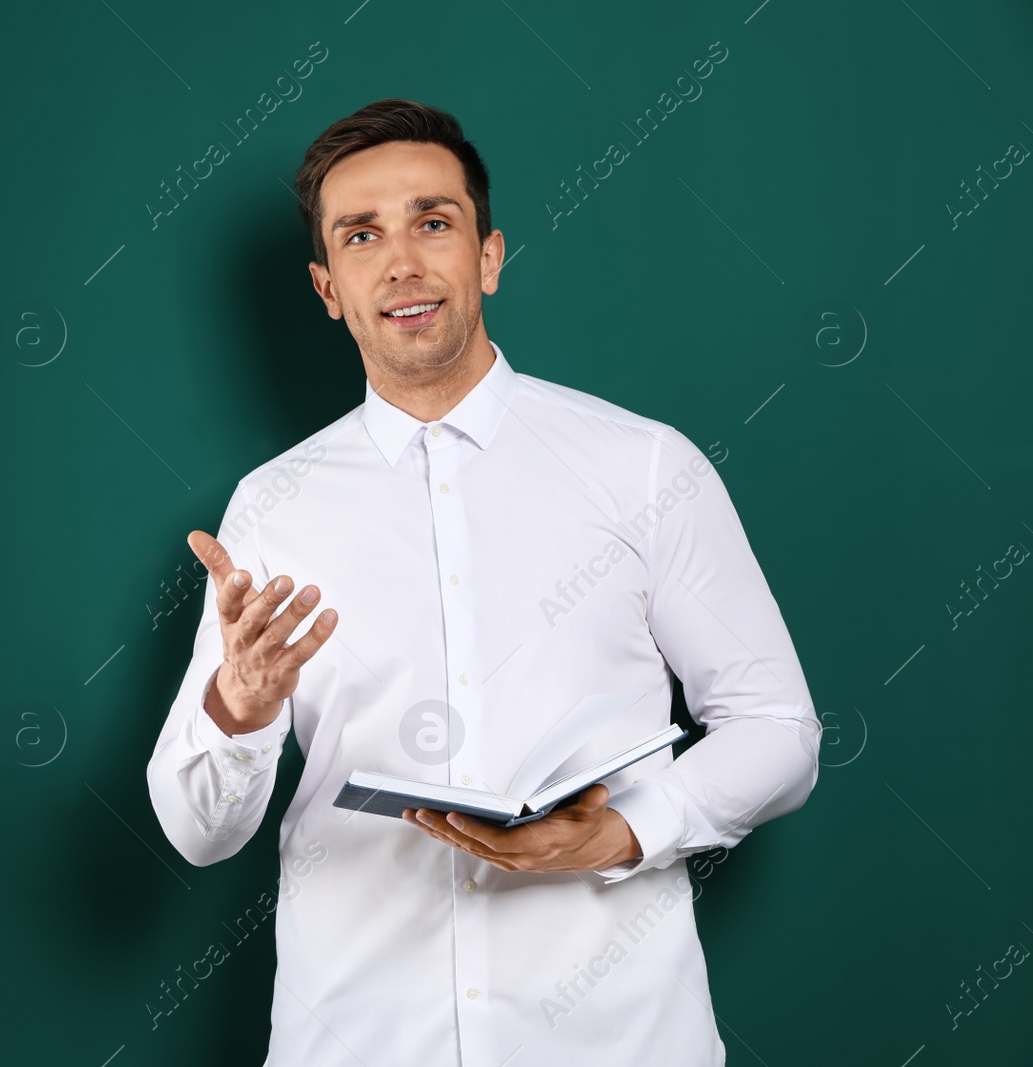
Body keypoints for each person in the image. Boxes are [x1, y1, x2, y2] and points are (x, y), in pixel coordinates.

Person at [145, 98, 819, 1066]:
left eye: (432, 222)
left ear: (488, 256)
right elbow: (198, 833)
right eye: (361, 235)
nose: (402, 262)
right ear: (327, 286)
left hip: (619, 1039)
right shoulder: (272, 505)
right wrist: (237, 707)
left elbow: (775, 726)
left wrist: (624, 831)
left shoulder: (643, 466)